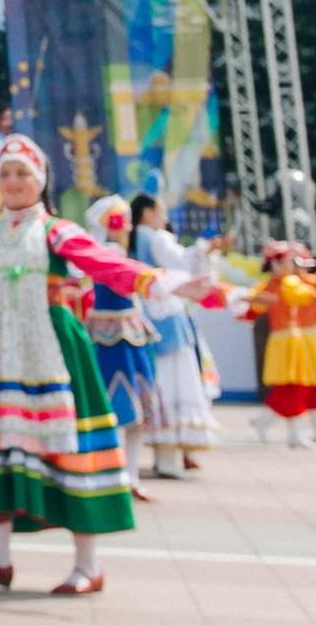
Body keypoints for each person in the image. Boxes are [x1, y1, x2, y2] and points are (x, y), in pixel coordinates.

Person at [0, 135, 213, 596]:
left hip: (53, 348)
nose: (12, 182)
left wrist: (162, 282)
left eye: (22, 173)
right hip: (1, 348)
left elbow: (103, 262)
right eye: (5, 173)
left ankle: (88, 564)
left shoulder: (56, 231)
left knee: (72, 445)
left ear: (41, 179)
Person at [129, 195, 221, 475]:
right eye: (162, 211)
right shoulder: (157, 239)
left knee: (161, 387)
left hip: (146, 319)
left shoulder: (132, 242)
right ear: (147, 212)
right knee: (174, 387)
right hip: (168, 321)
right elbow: (183, 265)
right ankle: (168, 459)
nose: (165, 219)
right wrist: (206, 250)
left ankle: (167, 456)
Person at [78, 195, 162, 498]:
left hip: (127, 333)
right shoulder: (108, 252)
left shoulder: (112, 251)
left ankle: (125, 475)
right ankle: (120, 475)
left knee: (129, 410)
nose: (126, 224)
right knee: (120, 407)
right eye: (120, 219)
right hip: (114, 336)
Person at [242, 240, 316, 449]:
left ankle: (273, 425)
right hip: (285, 341)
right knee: (294, 388)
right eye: (281, 262)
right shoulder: (279, 284)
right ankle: (289, 432)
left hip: (293, 339)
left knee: (298, 388)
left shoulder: (291, 281)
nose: (285, 266)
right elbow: (251, 310)